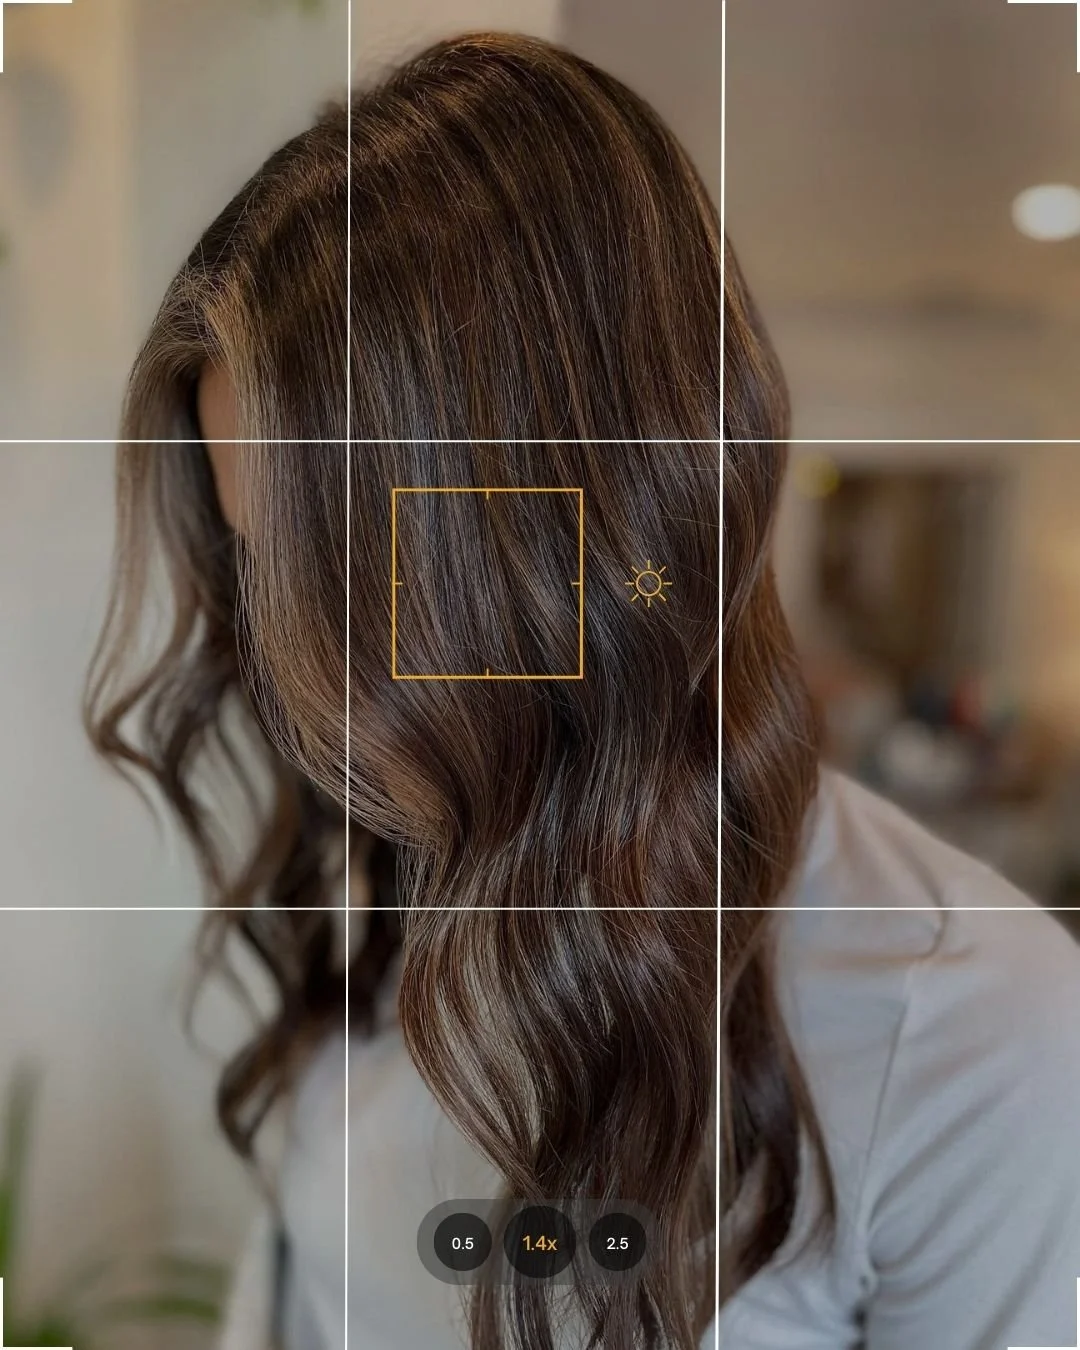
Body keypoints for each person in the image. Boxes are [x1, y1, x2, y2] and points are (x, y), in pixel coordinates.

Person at [86, 32, 720, 1350]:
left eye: (359, 591)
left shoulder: (962, 1039)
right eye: (271, 581)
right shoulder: (386, 882)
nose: (305, 691)